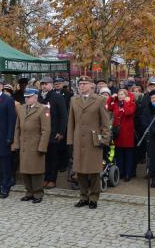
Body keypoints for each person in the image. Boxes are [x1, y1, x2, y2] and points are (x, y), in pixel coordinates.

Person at [67, 76, 111, 209]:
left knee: (93, 170)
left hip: (94, 140)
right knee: (80, 170)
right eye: (80, 83)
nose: (82, 86)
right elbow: (71, 121)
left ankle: (93, 197)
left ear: (92, 85)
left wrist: (105, 138)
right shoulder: (74, 100)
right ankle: (83, 196)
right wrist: (70, 139)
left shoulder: (99, 100)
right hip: (79, 139)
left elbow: (105, 122)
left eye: (85, 83)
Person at [12, 88, 51, 204]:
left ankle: (38, 193)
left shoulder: (43, 109)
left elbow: (46, 130)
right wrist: (16, 143)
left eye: (29, 97)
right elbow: (17, 128)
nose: (26, 99)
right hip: (24, 145)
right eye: (25, 97)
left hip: (35, 145)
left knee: (36, 171)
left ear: (35, 97)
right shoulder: (22, 108)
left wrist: (42, 147)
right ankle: (29, 192)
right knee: (25, 170)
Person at [38, 76, 68, 189]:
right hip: (41, 132)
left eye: (46, 84)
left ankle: (52, 179)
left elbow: (63, 116)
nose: (44, 86)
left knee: (53, 157)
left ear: (51, 85)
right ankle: (45, 178)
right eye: (42, 84)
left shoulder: (57, 97)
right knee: (44, 158)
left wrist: (61, 132)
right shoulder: (38, 97)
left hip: (53, 132)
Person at [106, 89, 136, 182]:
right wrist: (111, 98)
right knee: (119, 154)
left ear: (126, 95)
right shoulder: (115, 104)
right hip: (118, 133)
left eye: (122, 94)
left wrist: (127, 102)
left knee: (128, 154)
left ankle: (128, 173)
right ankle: (121, 172)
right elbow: (108, 108)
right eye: (119, 94)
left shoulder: (132, 104)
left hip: (127, 133)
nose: (120, 96)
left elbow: (128, 112)